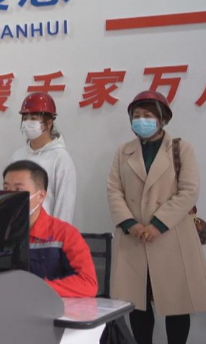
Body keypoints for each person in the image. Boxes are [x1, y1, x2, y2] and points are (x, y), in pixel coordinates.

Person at [107, 90, 206, 344]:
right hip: (134, 237)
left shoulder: (181, 149)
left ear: (162, 119)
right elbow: (114, 190)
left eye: (148, 115)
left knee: (177, 303)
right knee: (138, 303)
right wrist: (130, 224)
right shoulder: (123, 151)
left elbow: (189, 191)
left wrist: (158, 224)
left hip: (171, 236)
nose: (141, 120)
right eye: (136, 115)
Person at [3, 160, 97, 298]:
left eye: (18, 190)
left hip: (51, 306)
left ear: (40, 196)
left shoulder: (64, 234)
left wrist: (38, 288)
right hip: (4, 304)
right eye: (6, 189)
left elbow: (88, 283)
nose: (10, 197)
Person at [10, 92, 77, 223]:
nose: (27, 123)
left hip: (46, 232)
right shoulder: (18, 155)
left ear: (49, 122)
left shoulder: (61, 159)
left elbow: (64, 207)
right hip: (17, 229)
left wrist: (56, 233)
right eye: (25, 118)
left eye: (33, 118)